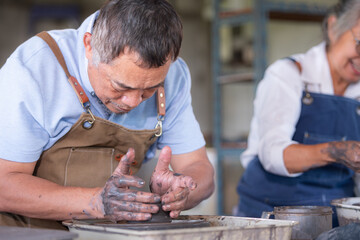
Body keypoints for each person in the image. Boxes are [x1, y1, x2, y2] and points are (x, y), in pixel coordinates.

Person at [0, 0, 214, 230]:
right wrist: (95, 203)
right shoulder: (34, 70)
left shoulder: (175, 77)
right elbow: (4, 184)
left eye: (149, 90)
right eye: (120, 87)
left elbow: (199, 168)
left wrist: (181, 191)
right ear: (89, 46)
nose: (132, 102)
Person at [236, 0, 360, 227]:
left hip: (336, 221)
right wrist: (336, 151)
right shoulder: (289, 75)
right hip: (273, 217)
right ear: (333, 29)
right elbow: (273, 154)